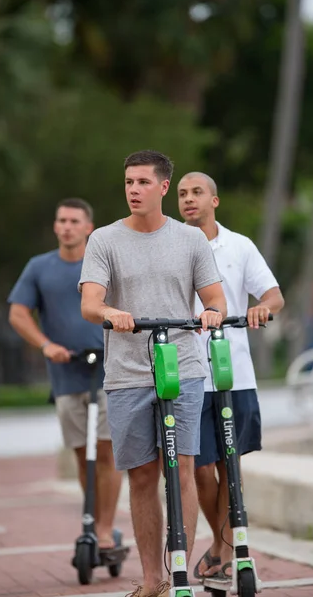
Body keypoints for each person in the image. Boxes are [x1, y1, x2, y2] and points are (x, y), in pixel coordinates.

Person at [79, 150, 227, 597]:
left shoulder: (190, 240)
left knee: (181, 467)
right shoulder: (104, 240)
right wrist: (111, 312)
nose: (133, 190)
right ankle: (152, 580)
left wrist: (213, 314)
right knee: (141, 475)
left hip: (182, 368)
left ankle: (178, 567)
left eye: (143, 182)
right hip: (126, 372)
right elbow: (89, 304)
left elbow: (215, 298)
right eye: (128, 182)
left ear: (164, 187)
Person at [177, 172, 285, 581]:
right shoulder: (173, 245)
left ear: (214, 200)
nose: (189, 200)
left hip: (234, 373)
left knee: (230, 464)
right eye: (183, 194)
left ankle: (222, 550)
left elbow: (273, 294)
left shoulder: (240, 246)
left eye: (197, 192)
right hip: (185, 375)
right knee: (200, 468)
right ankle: (222, 546)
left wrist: (262, 309)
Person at [8, 198, 122, 551]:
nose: (67, 226)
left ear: (89, 227)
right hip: (66, 377)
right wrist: (45, 345)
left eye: (74, 220)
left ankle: (104, 529)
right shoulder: (39, 267)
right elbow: (18, 313)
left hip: (110, 373)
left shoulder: (104, 263)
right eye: (62, 220)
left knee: (106, 453)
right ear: (56, 226)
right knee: (81, 455)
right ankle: (93, 520)